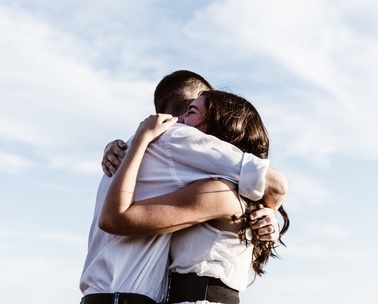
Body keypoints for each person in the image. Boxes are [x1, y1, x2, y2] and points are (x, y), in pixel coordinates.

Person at [79, 70, 287, 304]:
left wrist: (267, 210)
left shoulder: (219, 191)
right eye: (190, 109)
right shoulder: (174, 145)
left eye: (194, 112)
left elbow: (275, 186)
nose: (182, 124)